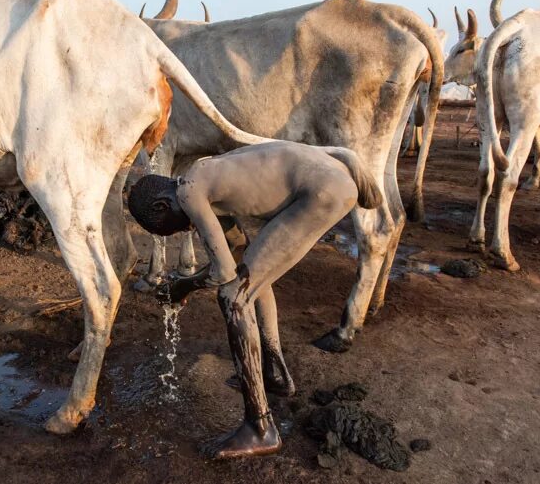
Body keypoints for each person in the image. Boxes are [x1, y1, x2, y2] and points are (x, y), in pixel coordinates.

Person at [128, 140, 382, 459]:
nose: (184, 232)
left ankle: (260, 427)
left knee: (233, 297)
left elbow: (223, 275)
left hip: (322, 191)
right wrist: (194, 281)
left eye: (172, 230)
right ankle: (274, 372)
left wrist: (181, 287)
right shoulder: (203, 174)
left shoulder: (189, 193)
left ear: (162, 207)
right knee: (253, 276)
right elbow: (238, 258)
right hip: (327, 176)